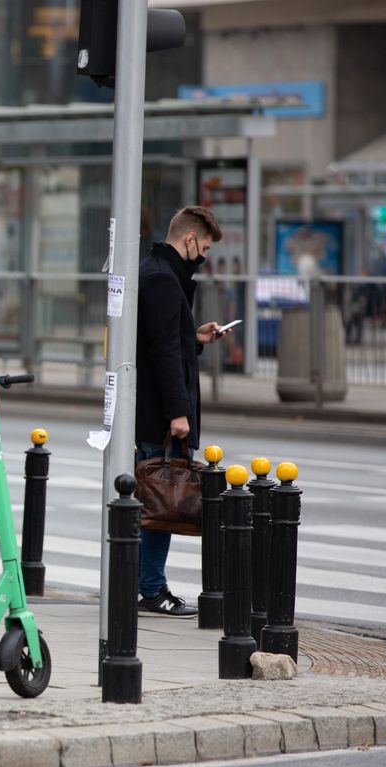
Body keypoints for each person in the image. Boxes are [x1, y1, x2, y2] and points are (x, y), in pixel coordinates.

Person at [135, 205, 228, 617]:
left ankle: (143, 584)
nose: (204, 256)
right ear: (189, 239)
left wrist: (195, 335)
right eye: (204, 247)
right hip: (159, 413)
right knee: (162, 499)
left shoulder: (157, 272)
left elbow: (166, 339)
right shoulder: (161, 280)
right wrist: (178, 413)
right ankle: (150, 589)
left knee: (150, 497)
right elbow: (162, 352)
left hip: (152, 408)